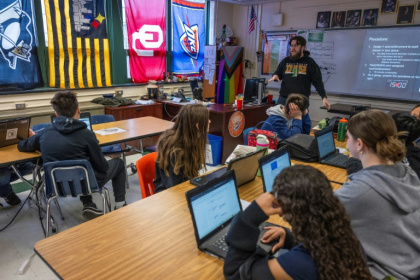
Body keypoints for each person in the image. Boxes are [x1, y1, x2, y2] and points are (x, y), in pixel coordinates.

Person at [223, 165, 372, 280]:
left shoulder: (299, 264)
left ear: (286, 212)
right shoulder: (346, 238)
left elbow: (235, 274)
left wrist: (249, 217)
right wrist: (291, 239)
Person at [335, 110, 420, 279]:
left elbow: (312, 217)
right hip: (410, 264)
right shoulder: (406, 171)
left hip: (386, 274)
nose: (347, 142)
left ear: (359, 144)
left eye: (349, 137)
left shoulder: (360, 192)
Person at [18, 91, 127, 220]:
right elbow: (102, 167)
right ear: (78, 111)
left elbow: (22, 146)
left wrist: (33, 138)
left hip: (55, 186)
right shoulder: (86, 134)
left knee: (76, 165)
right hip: (86, 183)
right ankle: (120, 205)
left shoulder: (44, 134)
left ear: (56, 114)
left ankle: (88, 204)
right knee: (117, 164)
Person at [153, 104, 210, 193]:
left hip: (183, 187)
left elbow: (193, 172)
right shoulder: (176, 150)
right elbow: (174, 187)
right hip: (168, 193)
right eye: (207, 120)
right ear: (198, 126)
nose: (209, 121)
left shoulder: (193, 139)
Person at [268, 36, 330, 110]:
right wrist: (275, 76)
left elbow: (318, 81)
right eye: (291, 45)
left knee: (299, 121)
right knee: (279, 120)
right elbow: (277, 73)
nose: (293, 48)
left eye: (296, 45)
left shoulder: (310, 62)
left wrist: (323, 97)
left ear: (303, 47)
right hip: (284, 99)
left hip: (301, 100)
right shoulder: (285, 61)